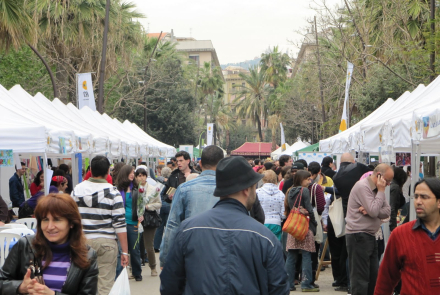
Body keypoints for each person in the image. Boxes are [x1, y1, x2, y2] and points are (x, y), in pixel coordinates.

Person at [160, 156, 289, 294]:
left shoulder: (188, 230)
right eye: (254, 186)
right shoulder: (265, 237)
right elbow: (279, 288)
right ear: (246, 189)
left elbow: (170, 284)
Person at [0, 193, 98, 294]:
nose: (50, 226)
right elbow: (2, 281)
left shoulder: (87, 256)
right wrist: (20, 287)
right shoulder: (25, 245)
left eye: (57, 219)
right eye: (45, 220)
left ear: (72, 223)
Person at [71, 155, 128, 295]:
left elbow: (71, 219)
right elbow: (119, 224)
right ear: (108, 171)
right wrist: (125, 251)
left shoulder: (76, 191)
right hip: (106, 243)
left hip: (81, 242)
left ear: (90, 170)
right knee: (104, 286)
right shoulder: (113, 193)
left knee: (81, 284)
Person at [160, 145, 224, 267]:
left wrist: (165, 258)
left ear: (200, 163)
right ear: (222, 164)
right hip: (222, 255)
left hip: (192, 254)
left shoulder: (185, 189)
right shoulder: (233, 189)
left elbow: (173, 225)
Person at [374, 178, 440, 295]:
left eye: (424, 197)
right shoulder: (400, 235)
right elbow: (385, 280)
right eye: (416, 196)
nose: (418, 201)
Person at [345, 164, 392, 295]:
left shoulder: (377, 189)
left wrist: (373, 209)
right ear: (379, 176)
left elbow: (387, 211)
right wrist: (379, 196)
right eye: (387, 180)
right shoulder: (362, 186)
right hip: (358, 235)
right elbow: (373, 210)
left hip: (371, 235)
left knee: (373, 277)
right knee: (360, 279)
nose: (388, 184)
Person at [331, 152, 372, 292]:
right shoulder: (360, 168)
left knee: (343, 251)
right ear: (353, 161)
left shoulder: (336, 177)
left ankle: (344, 281)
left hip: (346, 215)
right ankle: (351, 284)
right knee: (354, 255)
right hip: (363, 215)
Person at [284, 170, 319, 292]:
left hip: (293, 226)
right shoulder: (304, 191)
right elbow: (309, 209)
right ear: (301, 180)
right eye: (307, 179)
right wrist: (314, 225)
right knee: (306, 255)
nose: (310, 181)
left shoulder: (290, 191)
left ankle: (288, 284)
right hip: (304, 226)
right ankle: (306, 283)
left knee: (291, 256)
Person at [116, 165, 143, 281]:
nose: (133, 175)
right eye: (130, 172)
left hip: (133, 222)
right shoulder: (117, 190)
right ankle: (120, 274)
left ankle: (137, 272)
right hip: (120, 223)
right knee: (120, 250)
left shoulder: (137, 188)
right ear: (124, 174)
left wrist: (141, 214)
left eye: (133, 173)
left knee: (134, 249)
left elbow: (141, 204)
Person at [257, 170, 285, 240]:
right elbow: (283, 215)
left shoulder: (257, 192)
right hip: (276, 223)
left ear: (263, 179)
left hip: (261, 223)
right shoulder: (281, 194)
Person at [389, 167, 408, 232]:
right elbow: (392, 208)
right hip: (392, 221)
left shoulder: (391, 185)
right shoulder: (395, 188)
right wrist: (393, 228)